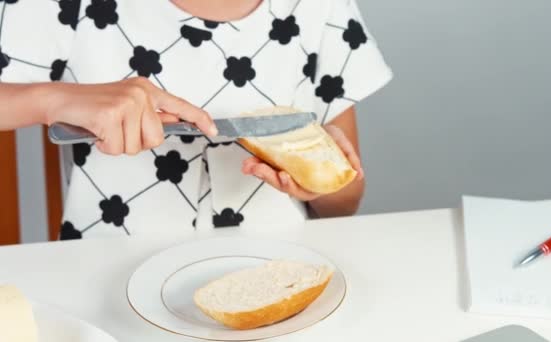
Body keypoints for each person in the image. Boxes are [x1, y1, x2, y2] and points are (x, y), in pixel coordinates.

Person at [0, 0, 392, 239]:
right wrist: (55, 100)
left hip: (280, 275)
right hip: (105, 277)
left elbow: (344, 206)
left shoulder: (321, 8)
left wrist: (319, 182)